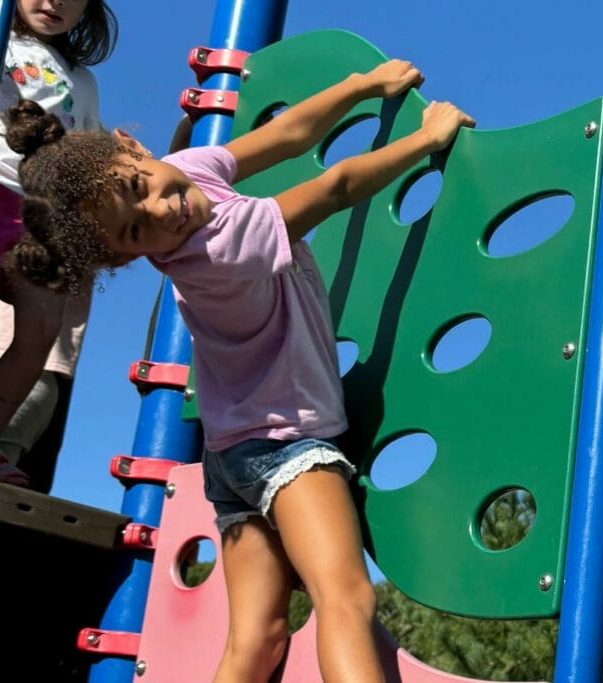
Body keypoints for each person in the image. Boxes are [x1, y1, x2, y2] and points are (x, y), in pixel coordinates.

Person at [5, 58, 473, 681]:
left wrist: (361, 84)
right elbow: (334, 189)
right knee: (349, 598)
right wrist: (425, 139)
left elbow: (285, 136)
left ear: (133, 147)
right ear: (127, 254)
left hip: (233, 460)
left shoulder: (192, 176)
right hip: (285, 443)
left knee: (255, 639)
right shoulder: (221, 247)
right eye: (137, 229)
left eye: (142, 184)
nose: (161, 211)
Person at [0, 0, 118, 488]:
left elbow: (85, 150)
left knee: (42, 327)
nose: (54, 3)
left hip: (34, 212)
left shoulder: (80, 80)